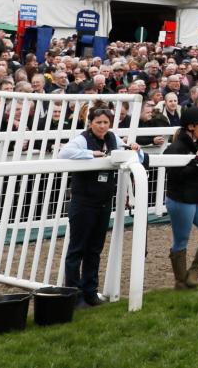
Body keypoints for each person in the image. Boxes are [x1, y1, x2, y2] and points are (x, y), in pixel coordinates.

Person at [59, 107, 143, 307]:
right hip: (83, 202)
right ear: (91, 123)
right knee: (77, 250)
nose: (102, 126)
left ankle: (90, 292)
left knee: (95, 249)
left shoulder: (113, 138)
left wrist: (134, 148)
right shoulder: (82, 139)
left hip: (104, 202)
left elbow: (128, 152)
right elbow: (64, 153)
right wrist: (91, 154)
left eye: (106, 122)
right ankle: (74, 294)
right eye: (99, 122)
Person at [163, 106, 198, 289]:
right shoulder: (176, 147)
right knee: (181, 240)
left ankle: (193, 272)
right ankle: (181, 280)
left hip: (197, 198)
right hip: (180, 199)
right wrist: (197, 161)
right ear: (190, 127)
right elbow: (175, 175)